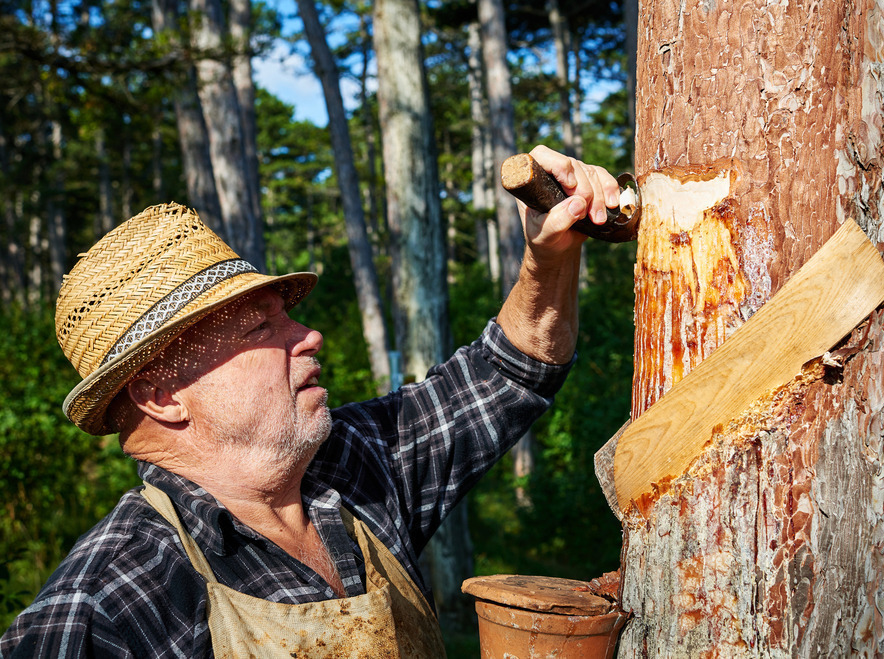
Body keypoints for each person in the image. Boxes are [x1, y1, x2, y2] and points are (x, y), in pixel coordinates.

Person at [0, 146, 623, 657]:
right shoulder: (109, 601)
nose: (310, 335)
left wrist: (549, 255)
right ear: (161, 395)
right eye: (257, 329)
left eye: (286, 317)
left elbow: (510, 372)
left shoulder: (352, 465)